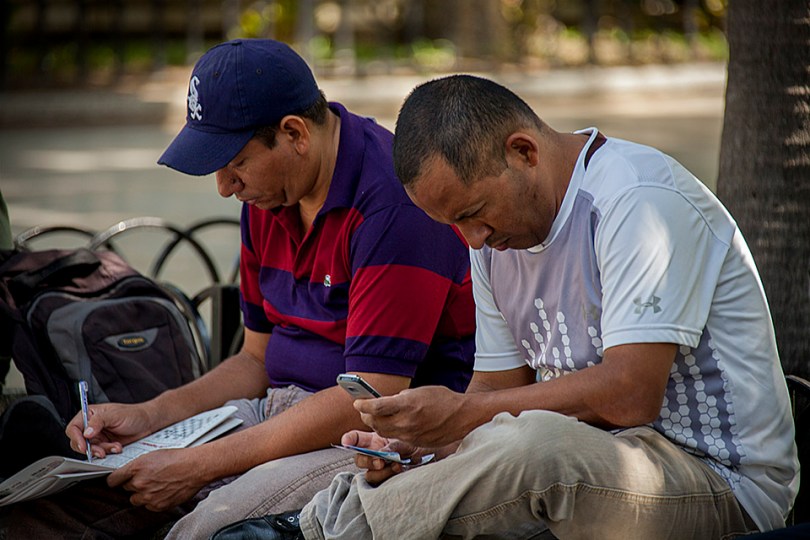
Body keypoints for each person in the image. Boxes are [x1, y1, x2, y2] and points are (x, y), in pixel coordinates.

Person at [220, 74, 799, 540]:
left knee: (536, 445)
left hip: (720, 480)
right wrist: (419, 443)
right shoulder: (492, 238)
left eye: (473, 214)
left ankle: (320, 533)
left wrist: (465, 419)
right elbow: (494, 392)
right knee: (504, 443)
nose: (470, 240)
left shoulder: (636, 201)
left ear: (522, 151)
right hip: (595, 462)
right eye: (454, 224)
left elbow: (629, 393)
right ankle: (341, 514)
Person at [0, 41, 475, 538]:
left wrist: (201, 465)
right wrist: (149, 415)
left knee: (206, 527)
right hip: (275, 411)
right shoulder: (271, 196)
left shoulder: (393, 204)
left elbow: (369, 397)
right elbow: (254, 360)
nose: (225, 187)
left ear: (294, 134)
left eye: (234, 163)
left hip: (369, 437)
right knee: (69, 503)